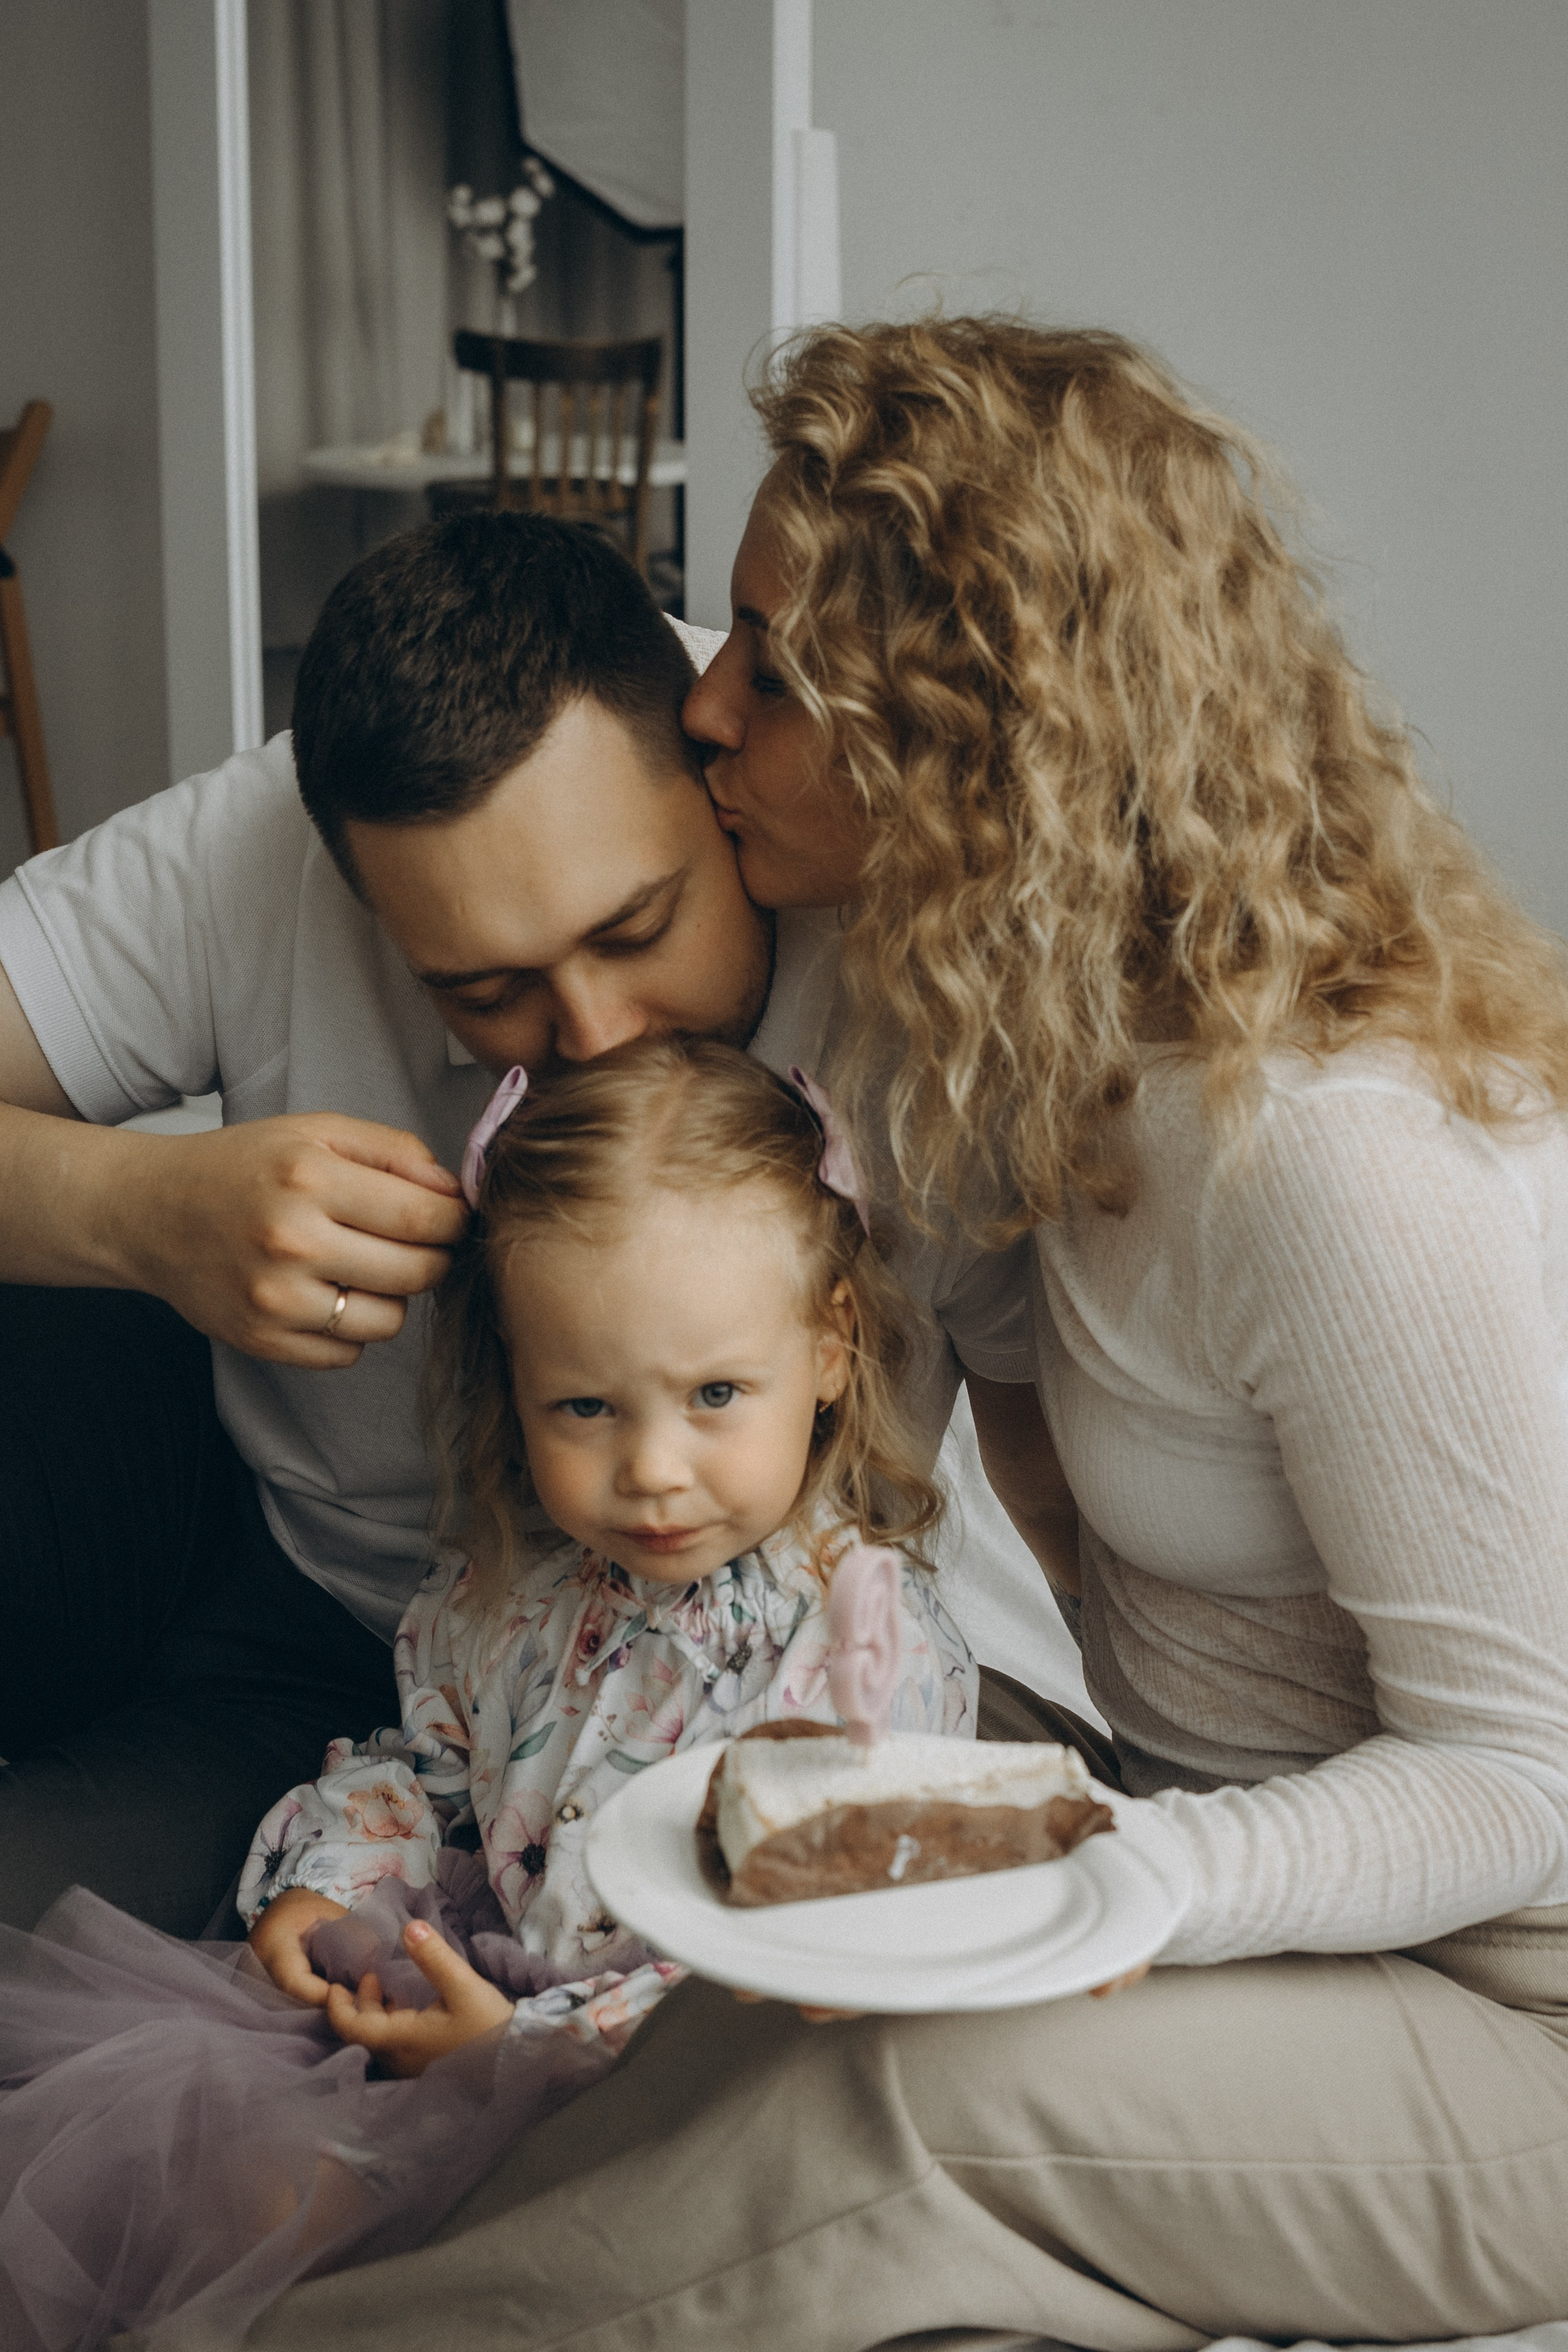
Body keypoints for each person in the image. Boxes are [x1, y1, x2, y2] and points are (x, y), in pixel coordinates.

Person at [229, 320, 1568, 2352]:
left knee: (883, 2090)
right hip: (1260, 1899)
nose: (705, 702)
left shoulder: (1340, 1155)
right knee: (756, 1988)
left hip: (1506, 2011)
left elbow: (1522, 1782)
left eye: (768, 662)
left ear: (968, 732)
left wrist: (1105, 1876)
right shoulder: (1059, 1066)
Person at [0, 510, 1030, 1936]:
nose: (595, 1039)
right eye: (485, 992)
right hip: (246, 1527)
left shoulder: (887, 902)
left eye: (639, 926)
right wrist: (137, 1206)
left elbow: (1054, 1452)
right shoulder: (266, 834)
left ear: (711, 751)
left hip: (470, 1705)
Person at [0, 1037, 976, 2352]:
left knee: (379, 2281)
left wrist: (517, 2050)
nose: (653, 1468)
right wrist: (338, 1881)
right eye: (586, 1404)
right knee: (215, 2187)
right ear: (514, 1388)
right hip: (471, 2021)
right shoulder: (510, 1595)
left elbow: (792, 1952)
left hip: (688, 2087)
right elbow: (427, 1771)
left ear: (833, 1350)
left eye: (716, 1394)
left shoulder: (858, 1643)